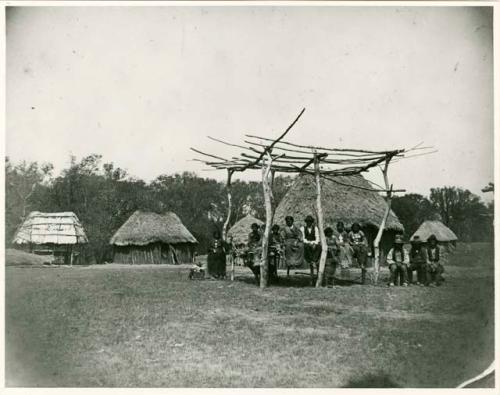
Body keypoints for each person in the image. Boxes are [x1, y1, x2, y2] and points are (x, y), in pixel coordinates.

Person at [301, 215, 321, 286]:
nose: (309, 223)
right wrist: (309, 243)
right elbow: (303, 238)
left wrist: (314, 243)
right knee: (306, 247)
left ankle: (314, 260)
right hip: (307, 243)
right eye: (307, 222)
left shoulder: (315, 228)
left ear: (312, 222)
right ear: (306, 222)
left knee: (319, 246)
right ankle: (311, 261)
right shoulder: (303, 228)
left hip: (313, 243)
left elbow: (317, 237)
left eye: (310, 222)